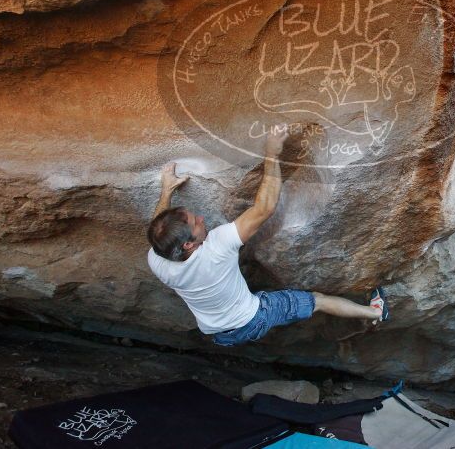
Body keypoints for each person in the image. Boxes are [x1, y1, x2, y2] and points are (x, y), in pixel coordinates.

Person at [146, 128, 388, 347]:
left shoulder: (158, 260)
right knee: (318, 301)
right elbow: (265, 208)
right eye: (195, 223)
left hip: (220, 336)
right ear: (189, 244)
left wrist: (166, 190)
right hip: (255, 317)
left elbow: (159, 231)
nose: (200, 218)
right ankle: (376, 312)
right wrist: (272, 154)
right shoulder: (216, 247)